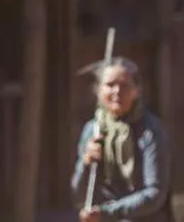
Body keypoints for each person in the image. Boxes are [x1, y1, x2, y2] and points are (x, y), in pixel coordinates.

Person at [72, 57, 173, 222]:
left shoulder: (150, 131)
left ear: (137, 91)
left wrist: (108, 212)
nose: (117, 91)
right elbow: (79, 194)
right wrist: (86, 163)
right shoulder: (93, 130)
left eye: (124, 85)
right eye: (110, 85)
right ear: (98, 90)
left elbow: (154, 193)